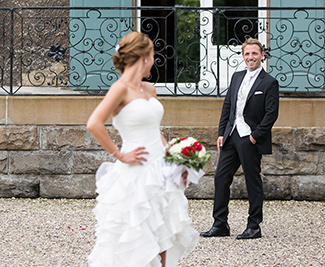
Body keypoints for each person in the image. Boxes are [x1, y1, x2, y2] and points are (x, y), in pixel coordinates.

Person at [86, 31, 198, 266]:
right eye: (153, 55)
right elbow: (94, 123)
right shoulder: (120, 89)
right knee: (139, 233)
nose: (154, 60)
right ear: (144, 57)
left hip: (161, 167)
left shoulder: (150, 89)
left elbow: (156, 129)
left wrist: (176, 160)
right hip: (136, 171)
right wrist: (119, 154)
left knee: (166, 230)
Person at [200, 38, 279, 240]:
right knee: (221, 178)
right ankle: (220, 224)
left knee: (252, 180)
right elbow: (228, 107)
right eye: (247, 54)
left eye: (254, 53)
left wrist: (255, 137)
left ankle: (254, 226)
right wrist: (221, 133)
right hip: (231, 135)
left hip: (249, 138)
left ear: (262, 55)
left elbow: (271, 114)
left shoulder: (269, 82)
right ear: (243, 56)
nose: (250, 57)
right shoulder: (236, 77)